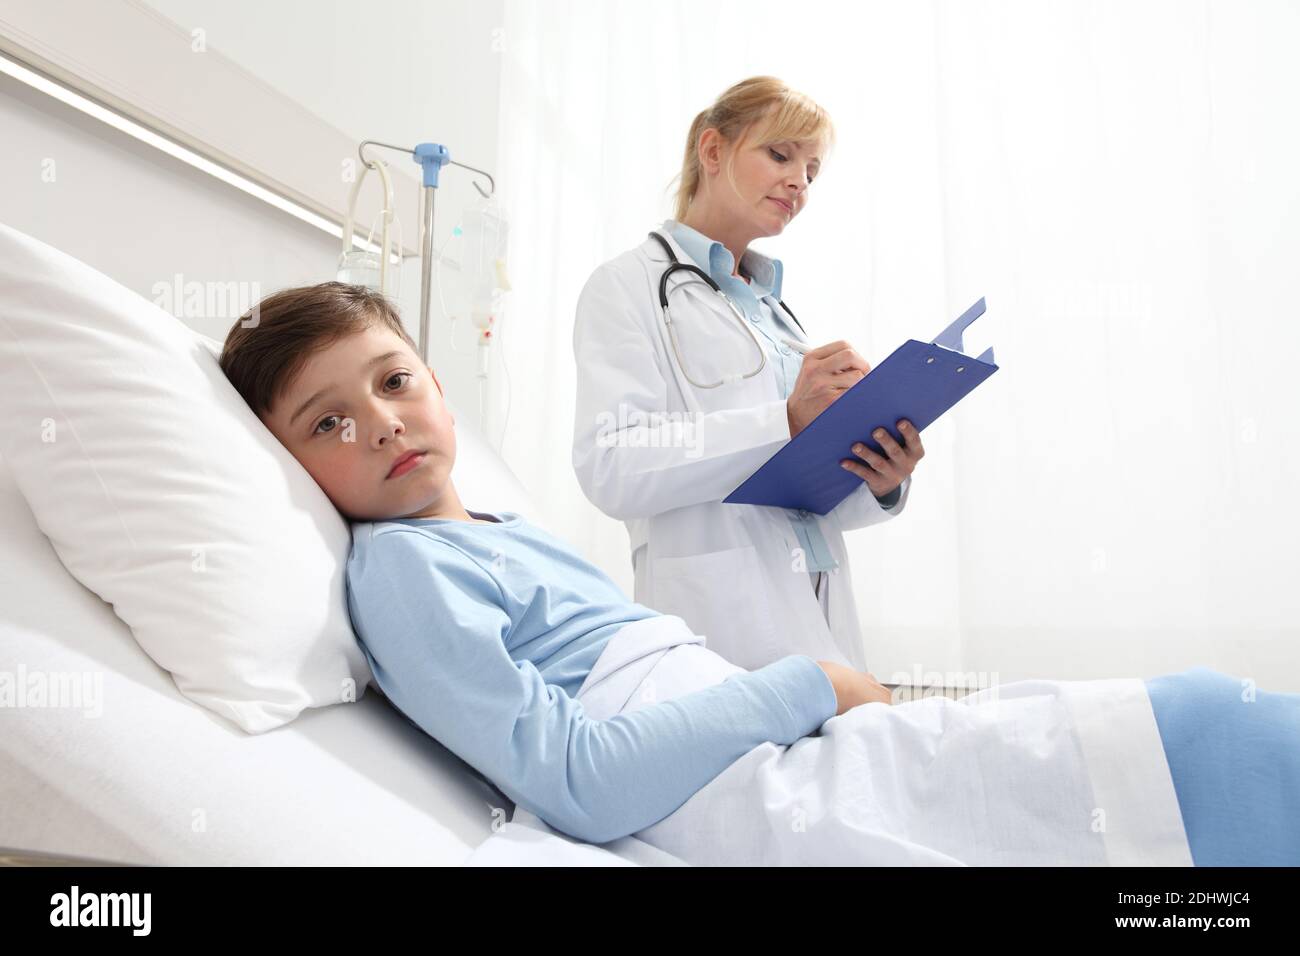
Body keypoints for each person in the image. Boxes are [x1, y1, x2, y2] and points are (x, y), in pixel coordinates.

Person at [219, 282, 1300, 865]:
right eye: (328, 422)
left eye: (394, 381)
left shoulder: (495, 529)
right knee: (1190, 733)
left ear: (440, 386)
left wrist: (865, 471)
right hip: (739, 764)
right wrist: (808, 683)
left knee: (1177, 726)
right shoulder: (402, 568)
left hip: (755, 716)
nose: (381, 423)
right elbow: (579, 779)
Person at [572, 76, 922, 673]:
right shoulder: (625, 287)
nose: (799, 181)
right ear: (713, 151)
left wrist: (880, 476)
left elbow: (803, 495)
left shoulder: (772, 311)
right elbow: (610, 466)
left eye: (812, 170)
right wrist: (783, 420)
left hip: (821, 612)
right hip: (721, 625)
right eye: (781, 155)